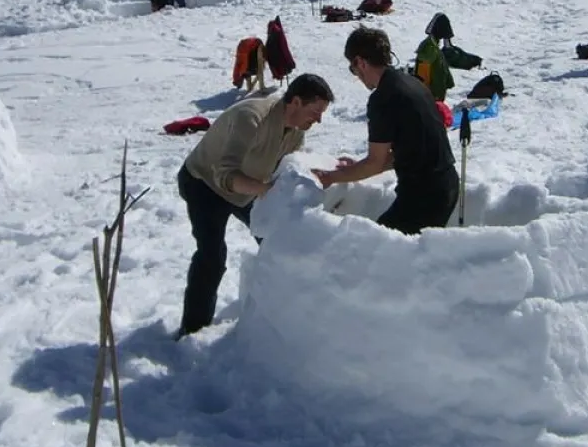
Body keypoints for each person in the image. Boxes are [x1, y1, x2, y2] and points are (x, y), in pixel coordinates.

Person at [175, 73, 335, 338]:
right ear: (295, 101)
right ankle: (192, 330)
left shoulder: (296, 131)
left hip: (248, 186)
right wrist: (265, 190)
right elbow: (224, 175)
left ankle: (280, 315)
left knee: (277, 240)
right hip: (204, 183)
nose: (318, 119)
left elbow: (289, 166)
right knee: (212, 255)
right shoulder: (250, 118)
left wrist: (324, 170)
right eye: (315, 111)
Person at [313, 26, 459, 235]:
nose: (357, 76)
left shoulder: (383, 98)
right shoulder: (413, 84)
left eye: (353, 69)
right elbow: (409, 149)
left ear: (360, 62)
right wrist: (355, 169)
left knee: (377, 249)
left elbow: (376, 162)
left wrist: (331, 177)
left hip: (423, 194)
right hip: (447, 184)